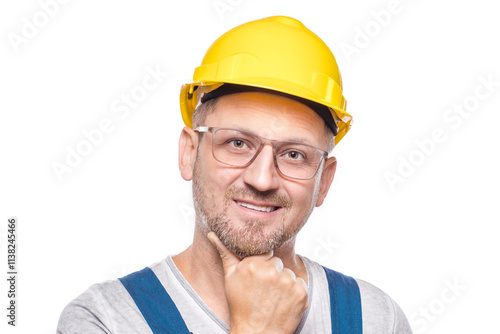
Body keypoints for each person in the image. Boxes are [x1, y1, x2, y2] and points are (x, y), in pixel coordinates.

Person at [57, 16, 413, 333]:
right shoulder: (106, 320)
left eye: (294, 154)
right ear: (189, 153)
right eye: (238, 144)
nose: (262, 179)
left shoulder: (374, 320)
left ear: (325, 181)